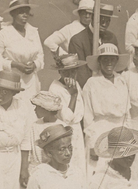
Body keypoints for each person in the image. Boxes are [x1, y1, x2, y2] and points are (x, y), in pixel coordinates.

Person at [83, 44, 130, 172]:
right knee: (100, 171)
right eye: (105, 59)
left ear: (116, 61)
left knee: (119, 172)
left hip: (120, 131)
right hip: (100, 131)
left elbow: (127, 113)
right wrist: (92, 143)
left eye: (112, 59)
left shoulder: (122, 81)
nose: (109, 62)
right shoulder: (92, 83)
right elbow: (87, 117)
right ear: (99, 62)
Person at [0, 0, 44, 101]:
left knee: (31, 107)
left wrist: (34, 65)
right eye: (20, 12)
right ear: (13, 14)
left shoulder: (33, 32)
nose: (25, 15)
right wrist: (15, 64)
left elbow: (40, 56)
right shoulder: (3, 34)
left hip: (31, 80)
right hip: (11, 80)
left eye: (27, 12)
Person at [47, 54, 86, 182]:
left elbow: (81, 111)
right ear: (60, 72)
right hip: (64, 132)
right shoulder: (55, 89)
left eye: (73, 70)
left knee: (79, 167)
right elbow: (67, 117)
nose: (70, 74)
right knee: (67, 167)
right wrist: (73, 95)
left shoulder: (76, 84)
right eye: (66, 71)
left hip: (77, 132)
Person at [68, 4, 121, 87]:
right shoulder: (77, 40)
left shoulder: (111, 37)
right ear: (92, 18)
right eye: (101, 20)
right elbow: (81, 73)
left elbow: (118, 64)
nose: (104, 24)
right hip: (90, 88)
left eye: (108, 21)